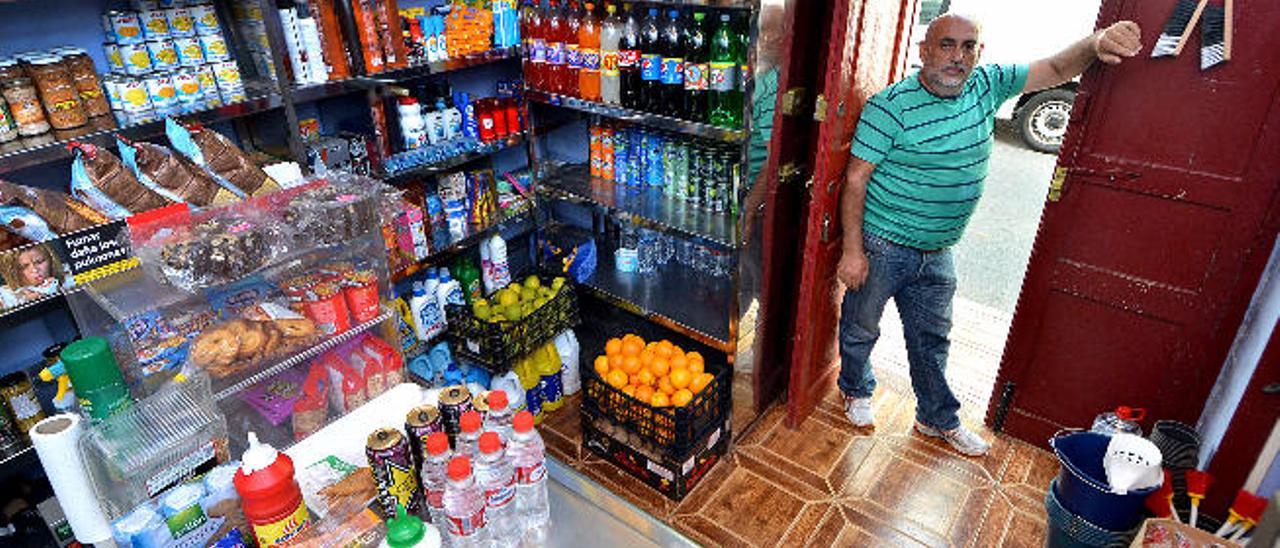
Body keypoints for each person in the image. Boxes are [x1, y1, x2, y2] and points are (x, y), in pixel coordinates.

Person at [836, 14, 1142, 456]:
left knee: (932, 339)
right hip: (884, 242)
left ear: (979, 51)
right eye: (946, 45)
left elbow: (1056, 70)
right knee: (861, 326)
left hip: (938, 249)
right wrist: (853, 251)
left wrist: (1095, 43)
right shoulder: (890, 107)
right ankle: (856, 388)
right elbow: (856, 179)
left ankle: (936, 419)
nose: (957, 57)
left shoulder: (987, 84)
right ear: (924, 50)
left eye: (968, 46)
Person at [0, 245, 70, 309]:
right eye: (24, 267)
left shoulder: (71, 274)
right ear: (13, 272)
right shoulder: (5, 297)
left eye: (39, 262)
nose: (35, 270)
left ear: (51, 260)